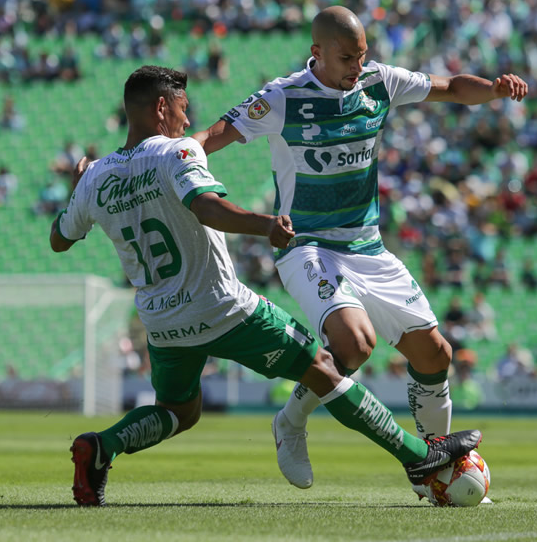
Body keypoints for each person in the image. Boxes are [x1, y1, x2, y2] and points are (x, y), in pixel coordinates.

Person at [51, 65, 481, 507]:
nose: (187, 120)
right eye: (183, 108)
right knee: (325, 368)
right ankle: (417, 457)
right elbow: (207, 208)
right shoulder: (175, 153)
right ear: (161, 107)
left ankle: (101, 447)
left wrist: (78, 186)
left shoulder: (96, 177)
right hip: (221, 306)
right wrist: (266, 225)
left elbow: (59, 240)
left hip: (161, 321)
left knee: (179, 411)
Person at [190, 5, 527, 497]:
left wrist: (493, 89)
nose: (356, 65)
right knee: (354, 344)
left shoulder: (379, 82)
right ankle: (290, 422)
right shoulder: (282, 98)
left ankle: (434, 462)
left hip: (367, 247)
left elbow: (453, 88)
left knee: (435, 354)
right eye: (347, 57)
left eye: (362, 54)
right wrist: (170, 159)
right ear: (317, 53)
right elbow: (209, 138)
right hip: (307, 247)